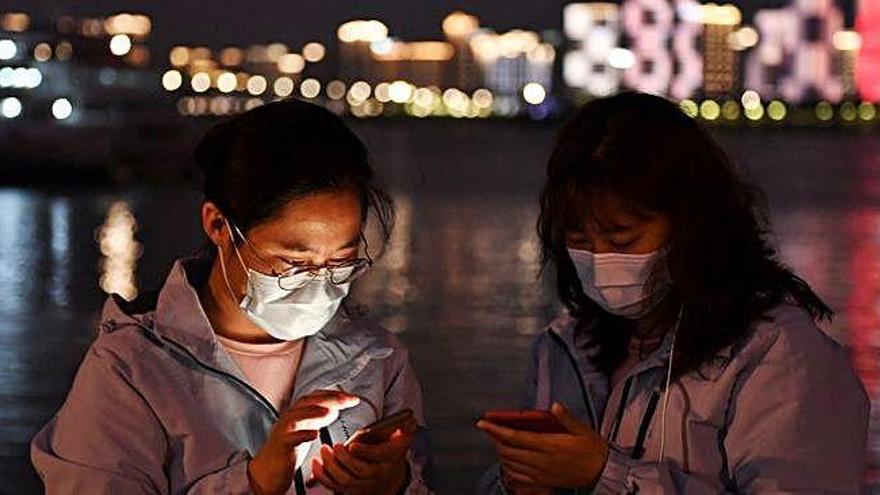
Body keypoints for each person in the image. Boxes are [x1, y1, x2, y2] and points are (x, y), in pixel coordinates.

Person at [32, 100, 432, 494]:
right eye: (292, 261)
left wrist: (394, 485)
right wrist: (254, 484)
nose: (318, 281)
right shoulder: (130, 372)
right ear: (219, 225)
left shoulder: (377, 360)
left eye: (341, 261)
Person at [476, 92, 869, 493]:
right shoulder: (564, 347)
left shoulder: (776, 354)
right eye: (579, 240)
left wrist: (605, 475)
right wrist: (517, 483)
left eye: (623, 240)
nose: (599, 260)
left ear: (689, 224)